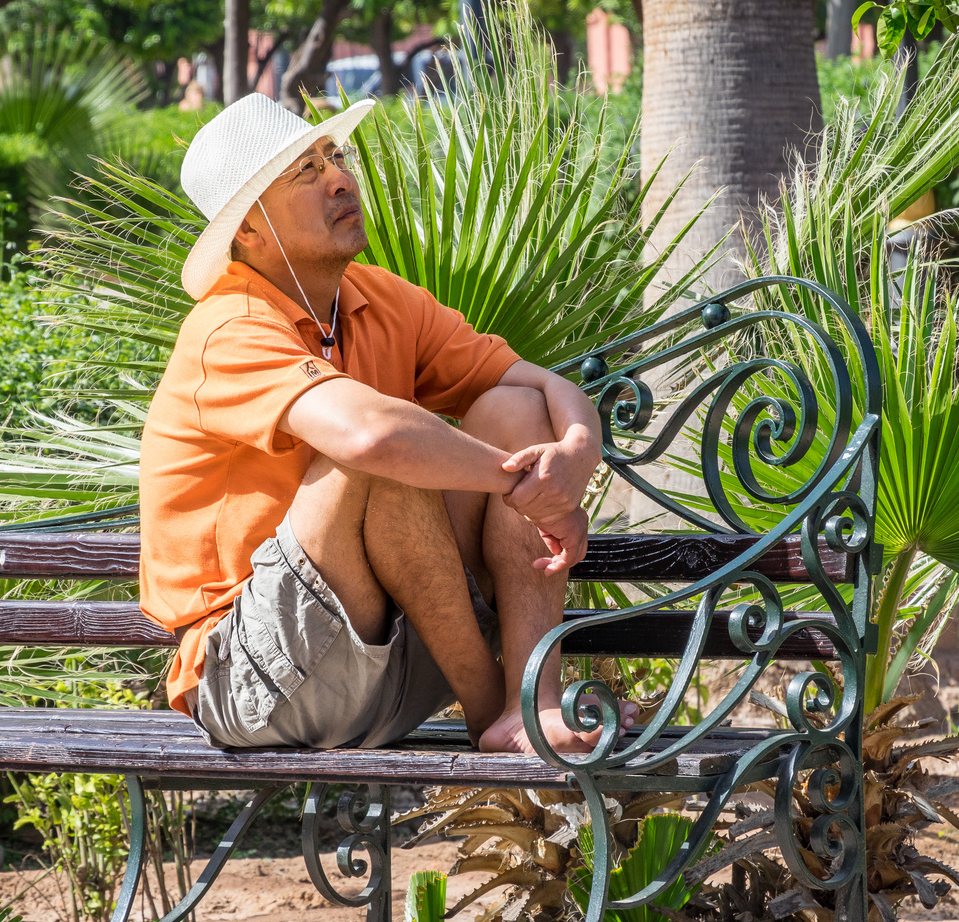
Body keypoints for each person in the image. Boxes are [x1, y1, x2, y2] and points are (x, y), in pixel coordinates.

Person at [139, 93, 638, 754]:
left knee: (511, 410)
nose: (341, 179)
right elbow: (371, 439)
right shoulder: (227, 328)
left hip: (394, 651)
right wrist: (529, 489)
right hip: (252, 679)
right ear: (251, 232)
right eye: (305, 173)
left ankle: (532, 702)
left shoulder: (380, 300)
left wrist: (575, 453)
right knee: (377, 457)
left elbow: (542, 386)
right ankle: (494, 711)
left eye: (332, 156)